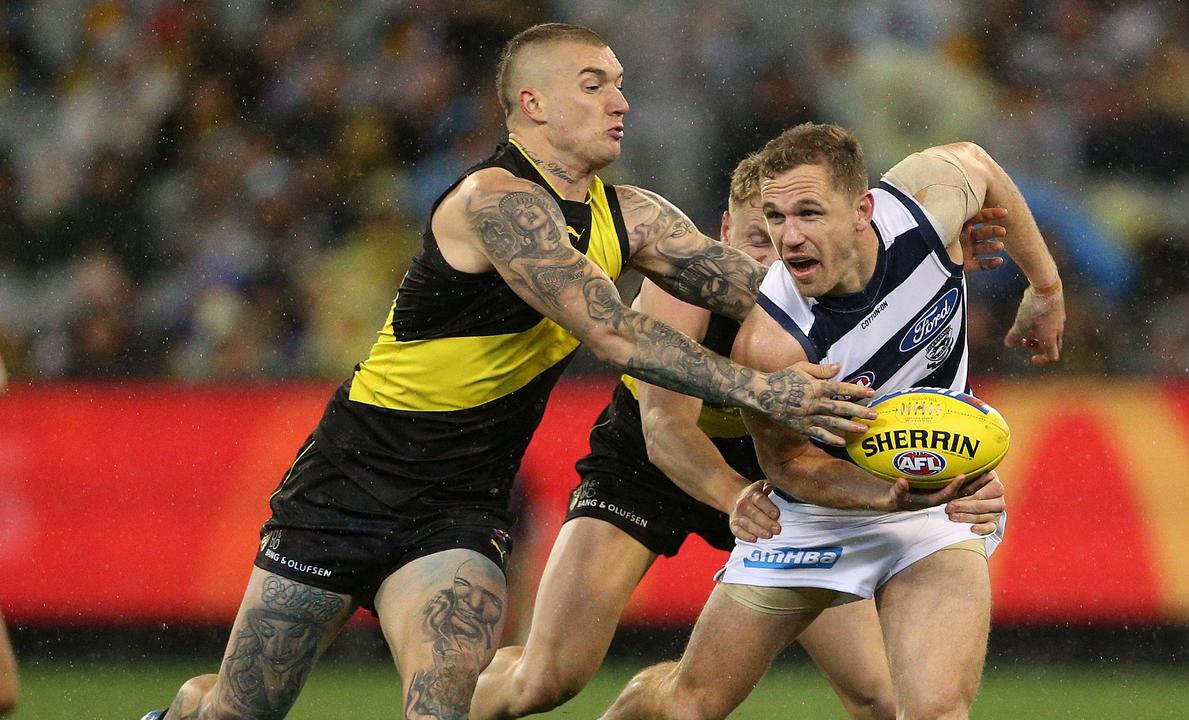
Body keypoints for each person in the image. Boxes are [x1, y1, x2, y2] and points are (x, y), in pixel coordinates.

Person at [140, 25, 898, 720]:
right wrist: (765, 389)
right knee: (239, 712)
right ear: (531, 104)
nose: (621, 100)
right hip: (350, 483)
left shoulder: (632, 214)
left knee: (445, 708)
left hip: (463, 504)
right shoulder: (493, 203)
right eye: (594, 84)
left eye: (621, 82)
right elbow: (615, 331)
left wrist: (912, 289)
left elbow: (777, 293)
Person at [469, 151, 1011, 720]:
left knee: (879, 697)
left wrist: (962, 475)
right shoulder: (679, 291)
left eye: (791, 232)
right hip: (646, 473)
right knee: (546, 680)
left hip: (779, 484)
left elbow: (910, 404)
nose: (777, 255)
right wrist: (734, 498)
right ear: (720, 233)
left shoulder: (827, 293)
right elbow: (665, 431)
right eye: (760, 235)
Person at [603, 123, 1065, 720]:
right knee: (690, 707)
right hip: (818, 518)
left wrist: (1046, 287)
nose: (789, 238)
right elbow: (790, 465)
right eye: (775, 217)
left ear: (862, 210)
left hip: (934, 507)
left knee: (931, 711)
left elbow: (980, 163)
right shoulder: (771, 341)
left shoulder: (926, 210)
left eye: (809, 213)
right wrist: (883, 495)